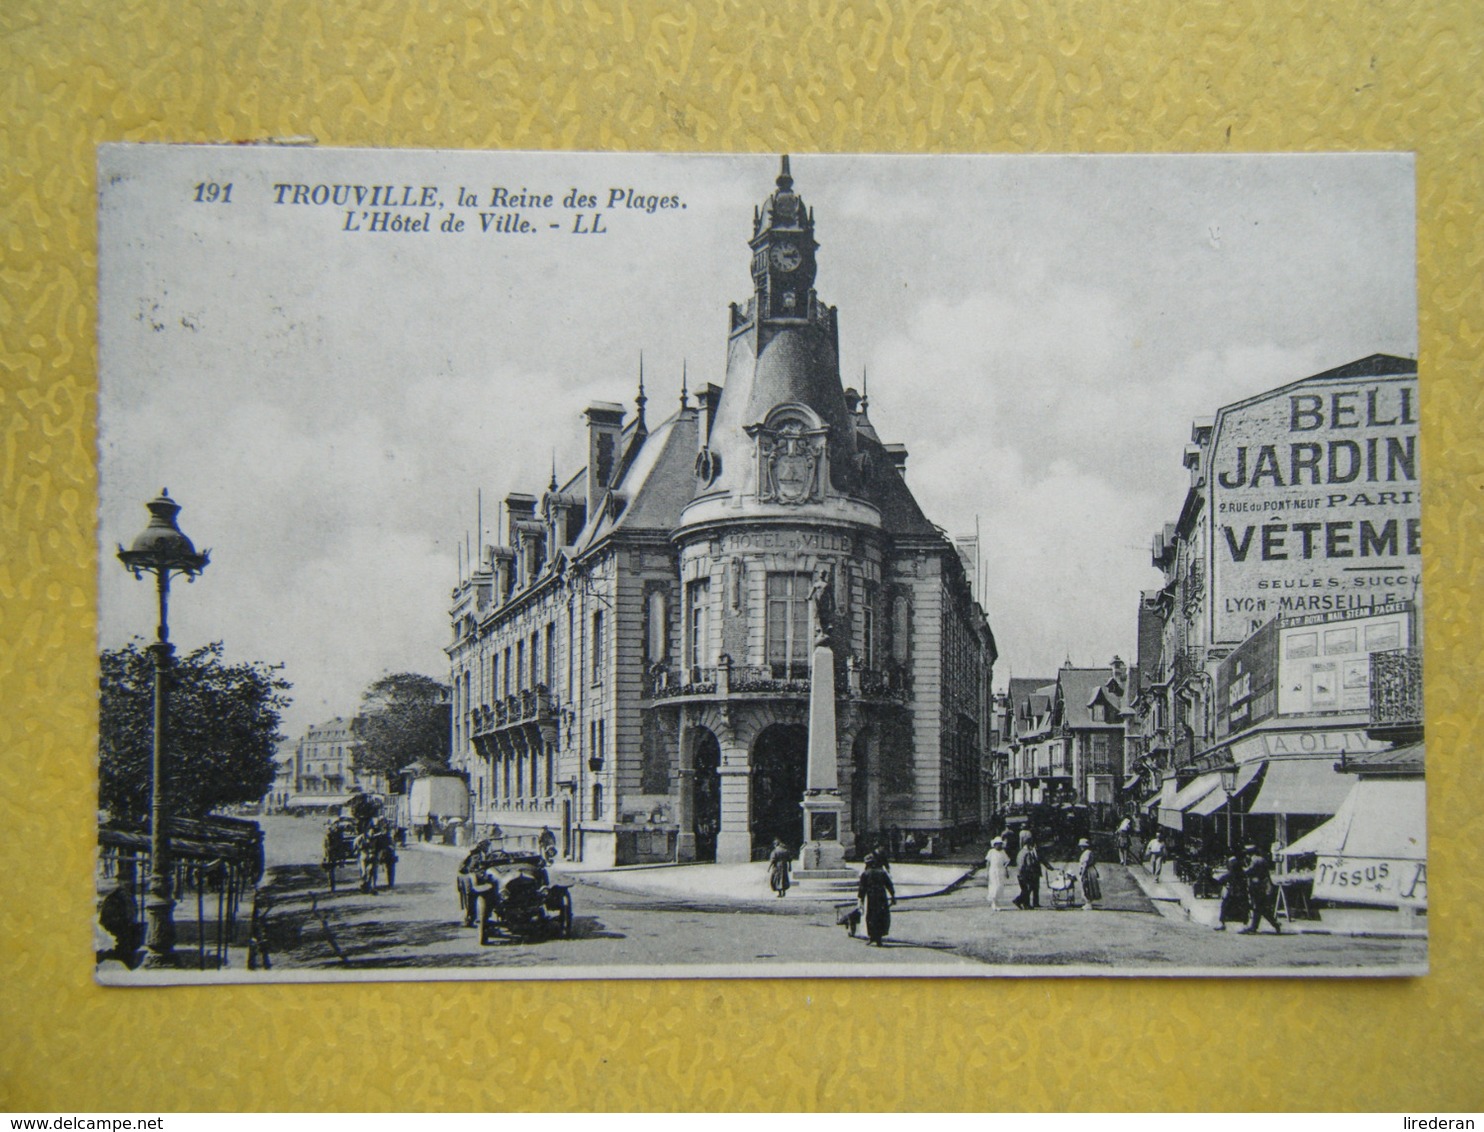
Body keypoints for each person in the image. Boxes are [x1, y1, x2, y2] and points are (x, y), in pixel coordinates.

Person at [1239, 843, 1282, 934]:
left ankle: (1271, 924)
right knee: (1259, 908)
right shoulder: (1262, 859)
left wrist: (1242, 869)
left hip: (1257, 887)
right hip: (1263, 886)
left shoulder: (1254, 860)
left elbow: (1249, 871)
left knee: (1259, 907)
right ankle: (1257, 926)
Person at [857, 852, 896, 945]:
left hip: (871, 897)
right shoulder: (882, 872)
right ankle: (879, 938)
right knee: (881, 916)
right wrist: (893, 896)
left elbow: (862, 888)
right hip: (882, 896)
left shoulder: (865, 874)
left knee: (871, 916)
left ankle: (872, 937)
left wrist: (861, 900)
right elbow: (889, 885)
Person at [1213, 852, 1250, 931]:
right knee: (1244, 909)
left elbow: (1220, 881)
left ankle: (1222, 924)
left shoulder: (1230, 874)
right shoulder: (1243, 873)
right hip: (1242, 894)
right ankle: (1245, 925)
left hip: (1232, 894)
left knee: (1224, 906)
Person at [1014, 832, 1042, 909]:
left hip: (1019, 873)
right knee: (1027, 889)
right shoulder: (1027, 853)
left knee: (1025, 889)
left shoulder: (1020, 852)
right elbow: (1029, 864)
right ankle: (1019, 901)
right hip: (1025, 873)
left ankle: (1025, 904)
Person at [984, 836, 1013, 912]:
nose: (998, 845)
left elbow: (1006, 862)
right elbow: (988, 862)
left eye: (1000, 844)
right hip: (993, 870)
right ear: (994, 844)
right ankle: (993, 902)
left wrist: (1006, 870)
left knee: (1000, 886)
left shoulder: (1003, 852)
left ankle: (996, 902)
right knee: (994, 886)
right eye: (997, 844)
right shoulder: (991, 852)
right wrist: (987, 872)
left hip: (1000, 870)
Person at [1075, 838, 1101, 910]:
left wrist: (1082, 873)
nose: (1080, 847)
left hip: (1087, 870)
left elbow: (1085, 864)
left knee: (1086, 886)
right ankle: (1088, 902)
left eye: (1081, 846)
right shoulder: (1090, 852)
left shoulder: (1086, 853)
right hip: (1090, 870)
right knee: (1089, 885)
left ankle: (1088, 902)